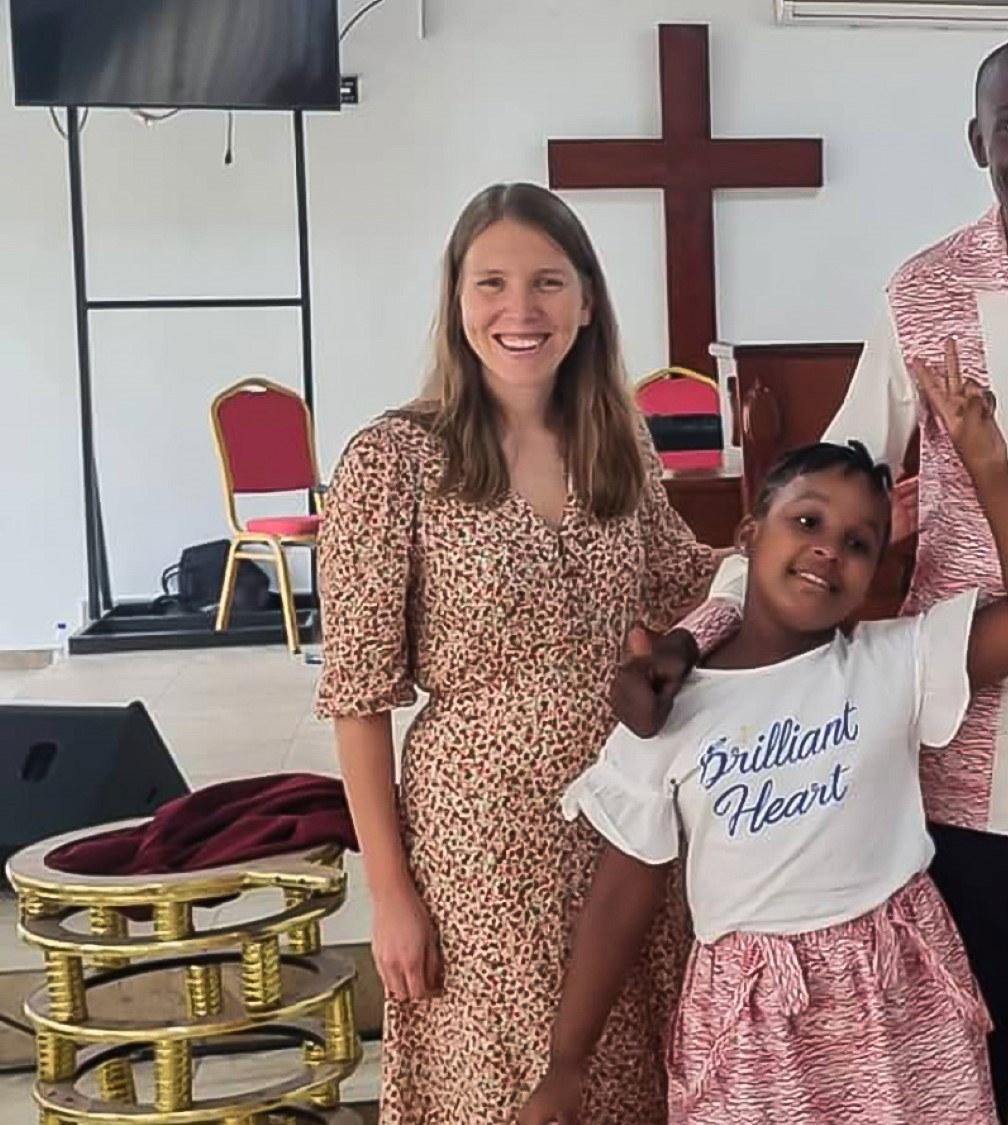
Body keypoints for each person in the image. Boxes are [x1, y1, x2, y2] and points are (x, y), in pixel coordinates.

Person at [628, 33, 1008, 1124]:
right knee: (966, 1044)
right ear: (977, 141)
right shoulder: (923, 293)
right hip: (961, 722)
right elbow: (816, 497)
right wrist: (707, 625)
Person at [518, 343, 1008, 1125]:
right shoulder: (665, 707)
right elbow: (620, 894)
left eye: (859, 542)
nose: (830, 548)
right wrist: (566, 1063)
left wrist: (987, 465)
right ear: (749, 536)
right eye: (807, 520)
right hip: (753, 1020)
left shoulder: (894, 663)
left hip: (899, 991)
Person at [315, 182, 718, 1123]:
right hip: (483, 839)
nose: (520, 309)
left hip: (627, 815)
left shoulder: (615, 441)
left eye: (547, 281)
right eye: (491, 282)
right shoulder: (396, 458)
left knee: (625, 1068)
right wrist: (390, 894)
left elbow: (682, 584)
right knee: (507, 1083)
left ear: (586, 298)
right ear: (457, 301)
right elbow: (358, 699)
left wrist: (812, 541)